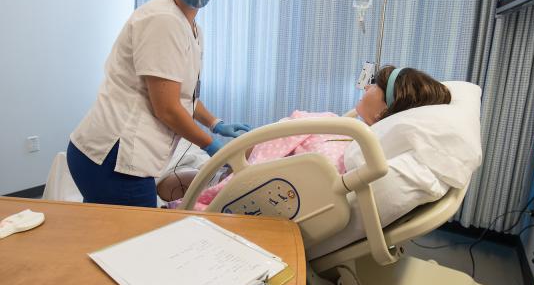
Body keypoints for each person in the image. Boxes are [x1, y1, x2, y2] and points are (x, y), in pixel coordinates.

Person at [67, 0, 250, 207]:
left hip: (116, 157)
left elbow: (183, 95)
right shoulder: (163, 20)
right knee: (131, 241)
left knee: (106, 235)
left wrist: (216, 123)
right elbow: (166, 107)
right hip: (113, 159)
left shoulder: (191, 27)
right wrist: (211, 145)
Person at [158, 65, 451, 207]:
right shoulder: (348, 132)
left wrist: (229, 153)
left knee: (165, 186)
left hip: (238, 176)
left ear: (384, 111)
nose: (366, 86)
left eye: (375, 84)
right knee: (172, 177)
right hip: (236, 163)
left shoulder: (353, 145)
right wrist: (218, 126)